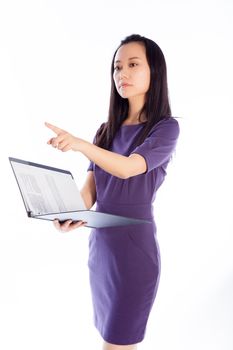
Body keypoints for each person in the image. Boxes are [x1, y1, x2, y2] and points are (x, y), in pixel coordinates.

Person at [45, 34, 180, 350]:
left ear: (154, 72)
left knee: (117, 344)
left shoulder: (165, 128)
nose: (123, 74)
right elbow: (89, 194)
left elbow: (128, 167)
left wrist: (80, 145)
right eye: (118, 67)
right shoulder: (105, 131)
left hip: (134, 254)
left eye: (133, 65)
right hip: (101, 253)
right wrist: (64, 215)